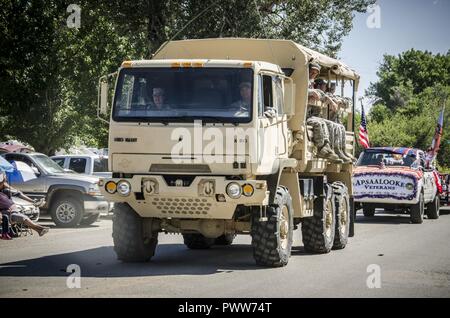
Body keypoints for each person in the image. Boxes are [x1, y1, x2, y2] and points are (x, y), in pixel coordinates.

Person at [0, 172, 48, 237]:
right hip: (7, 212)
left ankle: (34, 202)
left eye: (5, 180)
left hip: (13, 210)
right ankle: (40, 228)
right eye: (4, 181)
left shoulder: (5, 190)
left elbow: (17, 193)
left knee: (16, 193)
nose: (5, 182)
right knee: (21, 217)